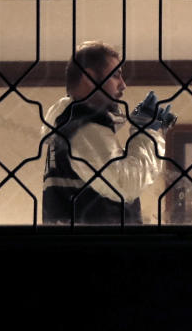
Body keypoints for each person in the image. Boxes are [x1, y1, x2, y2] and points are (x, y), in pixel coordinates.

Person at [41, 41, 170, 225]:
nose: (123, 85)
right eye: (116, 75)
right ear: (89, 77)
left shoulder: (69, 124)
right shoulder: (83, 127)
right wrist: (147, 134)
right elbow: (124, 184)